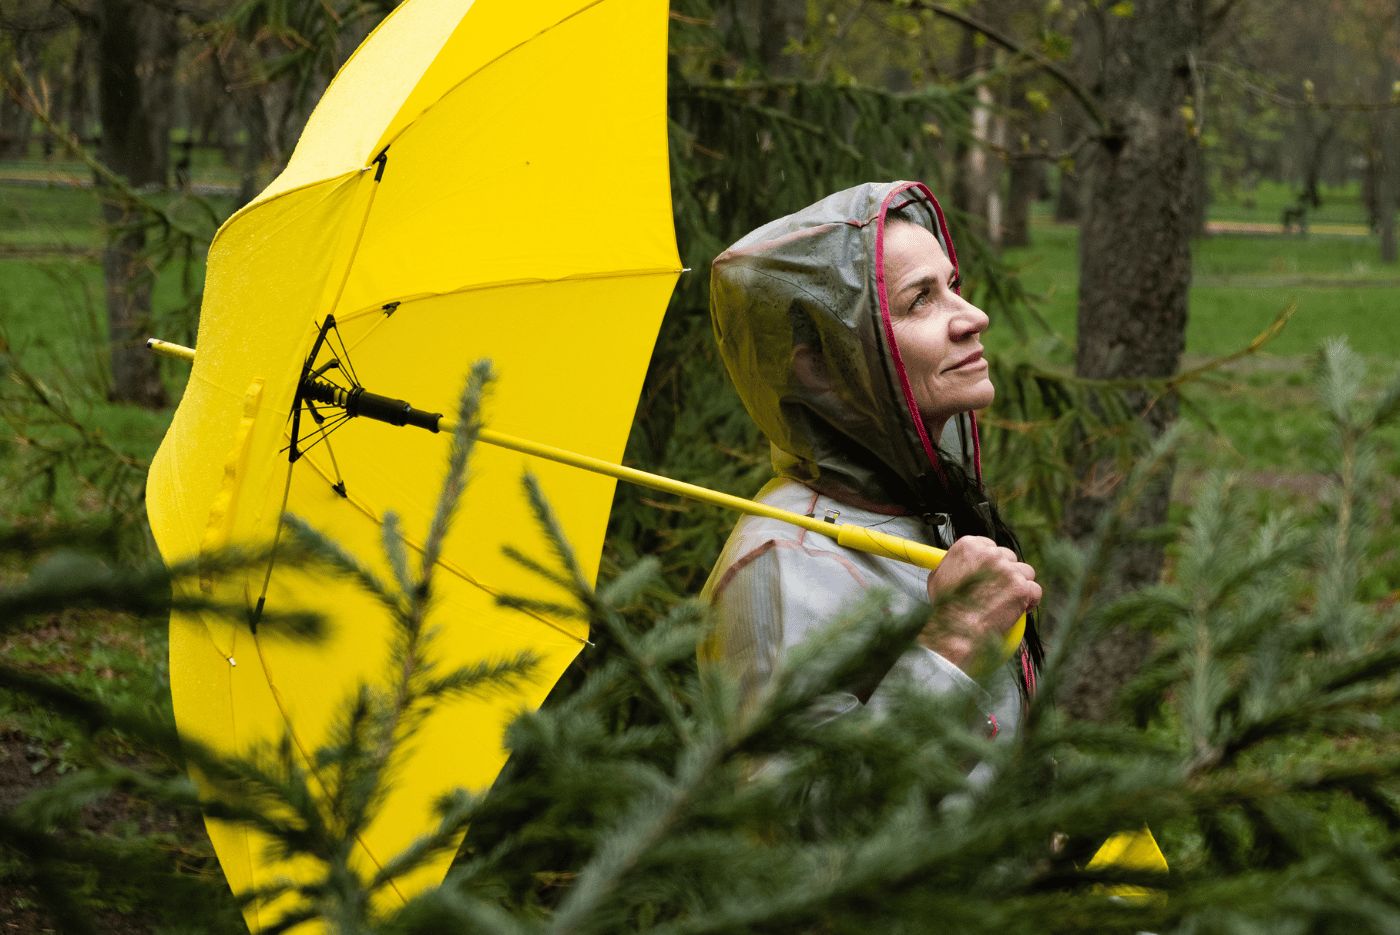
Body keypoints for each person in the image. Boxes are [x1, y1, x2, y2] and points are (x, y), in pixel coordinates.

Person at [700, 180, 1044, 744]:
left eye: (952, 287)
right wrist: (953, 642)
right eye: (920, 301)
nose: (973, 317)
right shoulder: (783, 562)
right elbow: (796, 814)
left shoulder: (917, 508)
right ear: (821, 369)